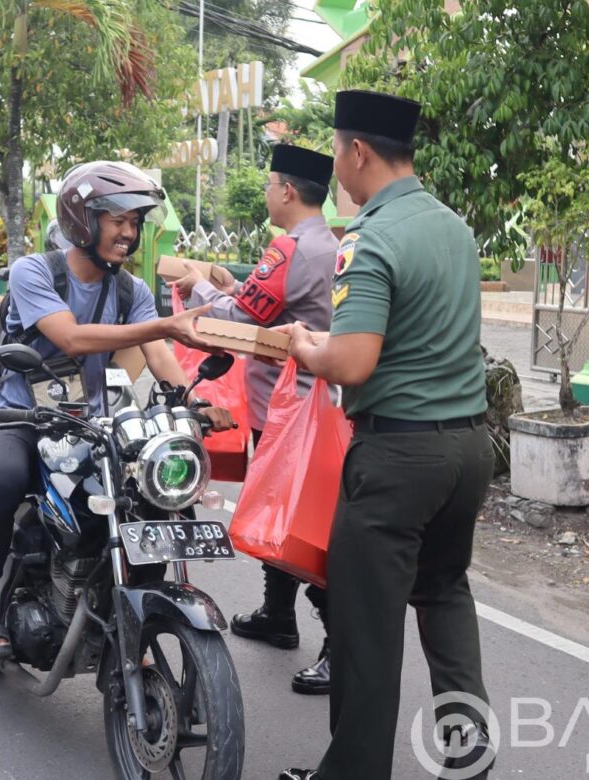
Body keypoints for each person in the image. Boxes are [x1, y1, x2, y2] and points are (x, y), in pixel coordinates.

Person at [278, 90, 495, 780]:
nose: (337, 167)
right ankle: (469, 753)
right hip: (469, 450)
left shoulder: (371, 235)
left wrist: (303, 346)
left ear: (358, 151)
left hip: (399, 456)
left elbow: (352, 362)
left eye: (337, 150)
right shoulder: (453, 227)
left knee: (366, 627)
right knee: (444, 593)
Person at [0, 161, 234, 660]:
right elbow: (70, 337)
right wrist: (165, 326)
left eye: (135, 223)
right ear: (82, 219)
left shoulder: (132, 290)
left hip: (87, 422)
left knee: (145, 497)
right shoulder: (33, 271)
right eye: (118, 220)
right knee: (4, 480)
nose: (128, 233)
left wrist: (194, 402)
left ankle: (130, 613)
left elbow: (159, 356)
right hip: (21, 415)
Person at [175, 144, 337, 695]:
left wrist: (196, 284)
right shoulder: (331, 244)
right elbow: (265, 303)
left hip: (289, 411)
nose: (268, 193)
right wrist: (227, 284)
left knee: (295, 520)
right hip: (316, 405)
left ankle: (337, 642)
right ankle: (277, 613)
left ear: (287, 190)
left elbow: (243, 315)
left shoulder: (290, 246)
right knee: (291, 514)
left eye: (270, 185)